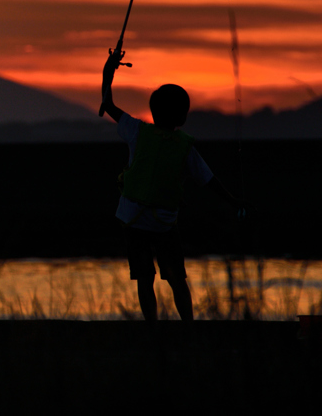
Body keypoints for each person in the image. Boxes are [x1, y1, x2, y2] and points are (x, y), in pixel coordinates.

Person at [101, 48, 243, 322]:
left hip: (133, 222)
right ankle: (188, 325)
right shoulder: (184, 147)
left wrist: (109, 68)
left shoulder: (136, 131)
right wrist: (234, 201)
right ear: (182, 116)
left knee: (145, 279)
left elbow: (107, 103)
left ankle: (151, 327)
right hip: (166, 225)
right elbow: (209, 180)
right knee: (177, 279)